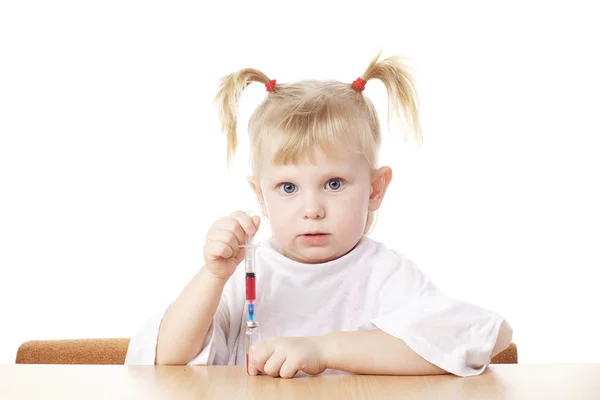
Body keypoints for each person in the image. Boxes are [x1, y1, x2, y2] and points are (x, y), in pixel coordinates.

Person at [125, 51, 513, 378]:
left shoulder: (384, 273)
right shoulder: (244, 270)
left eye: (333, 183)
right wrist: (212, 275)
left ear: (376, 188)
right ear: (260, 195)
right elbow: (161, 361)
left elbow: (479, 337)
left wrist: (322, 351)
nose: (312, 210)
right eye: (288, 188)